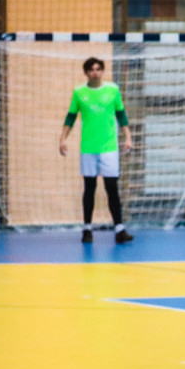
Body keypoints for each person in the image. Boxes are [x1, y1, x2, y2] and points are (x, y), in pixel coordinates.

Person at [59, 57, 134, 244]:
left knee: (112, 188)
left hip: (109, 148)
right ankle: (87, 229)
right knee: (89, 189)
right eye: (92, 69)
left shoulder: (113, 90)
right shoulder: (79, 92)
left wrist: (128, 137)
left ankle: (119, 230)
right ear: (86, 72)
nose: (95, 72)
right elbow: (70, 117)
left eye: (99, 69)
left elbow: (121, 114)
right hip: (88, 148)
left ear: (102, 71)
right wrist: (63, 138)